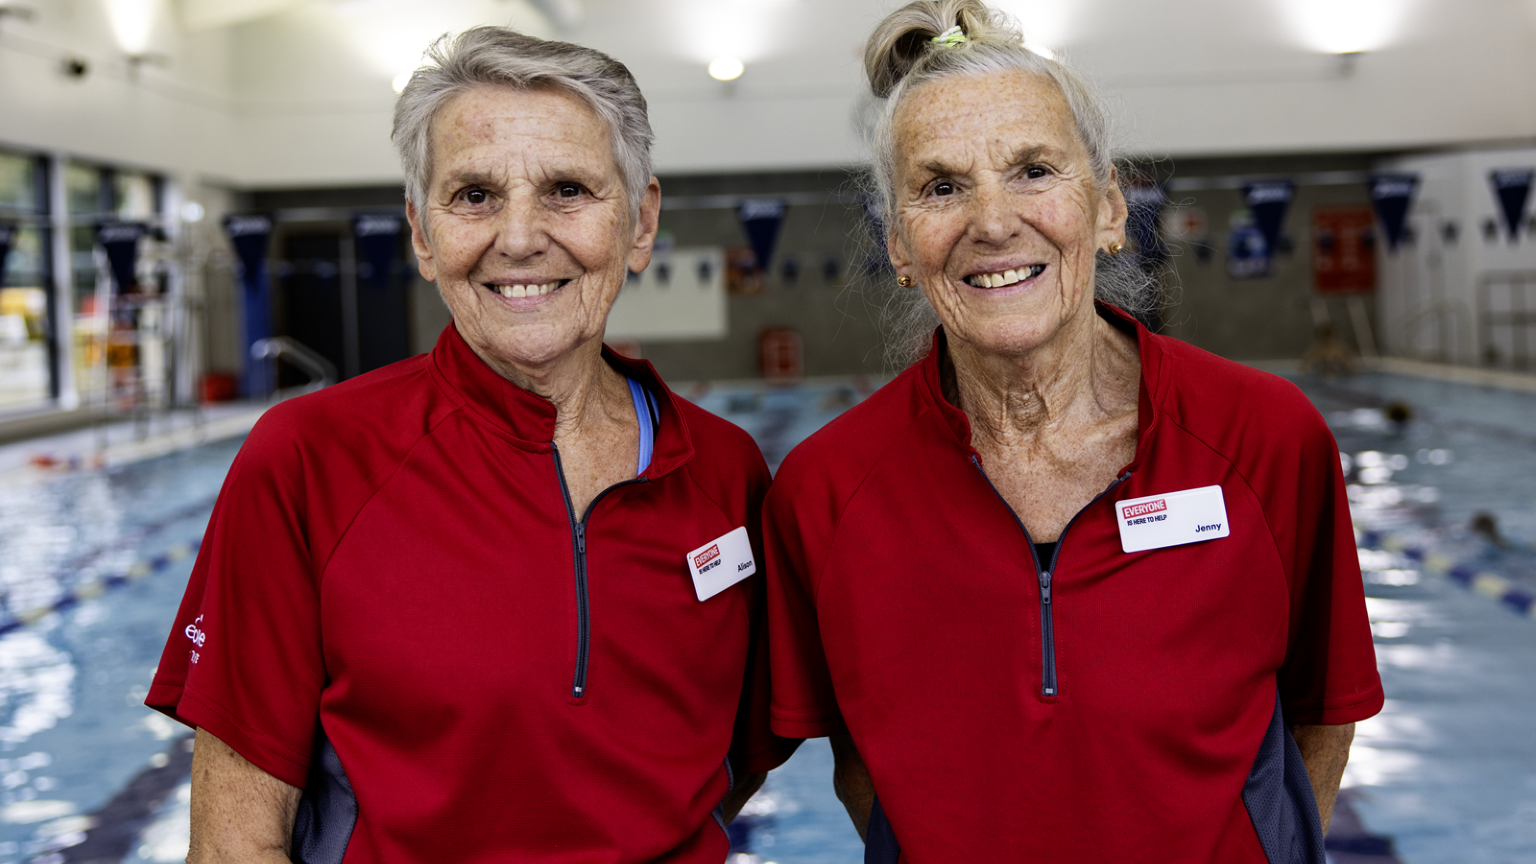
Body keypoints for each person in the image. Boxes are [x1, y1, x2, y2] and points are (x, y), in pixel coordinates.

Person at [148, 26, 793, 864]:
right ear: (421, 232)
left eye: (566, 190)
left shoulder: (723, 469)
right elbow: (236, 844)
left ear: (640, 223)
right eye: (475, 195)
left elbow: (723, 769)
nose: (519, 238)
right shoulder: (309, 460)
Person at [762, 2, 1383, 861]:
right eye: (942, 186)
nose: (991, 222)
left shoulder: (1265, 438)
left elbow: (1324, 711)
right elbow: (862, 767)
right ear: (900, 243)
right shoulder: (825, 490)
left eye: (1033, 170)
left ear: (1109, 208)